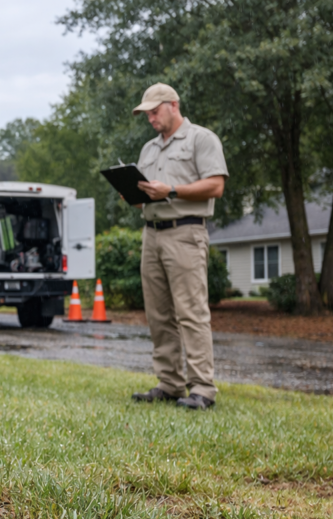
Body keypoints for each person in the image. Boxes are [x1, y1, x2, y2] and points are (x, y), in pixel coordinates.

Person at [129, 83, 228, 410]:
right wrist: (132, 192)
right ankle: (169, 383)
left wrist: (170, 190)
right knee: (158, 313)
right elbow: (148, 191)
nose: (150, 119)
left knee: (191, 313)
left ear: (173, 105)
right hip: (151, 234)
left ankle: (202, 388)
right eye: (146, 114)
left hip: (185, 233)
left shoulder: (202, 138)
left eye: (154, 112)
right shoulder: (149, 149)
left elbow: (216, 185)